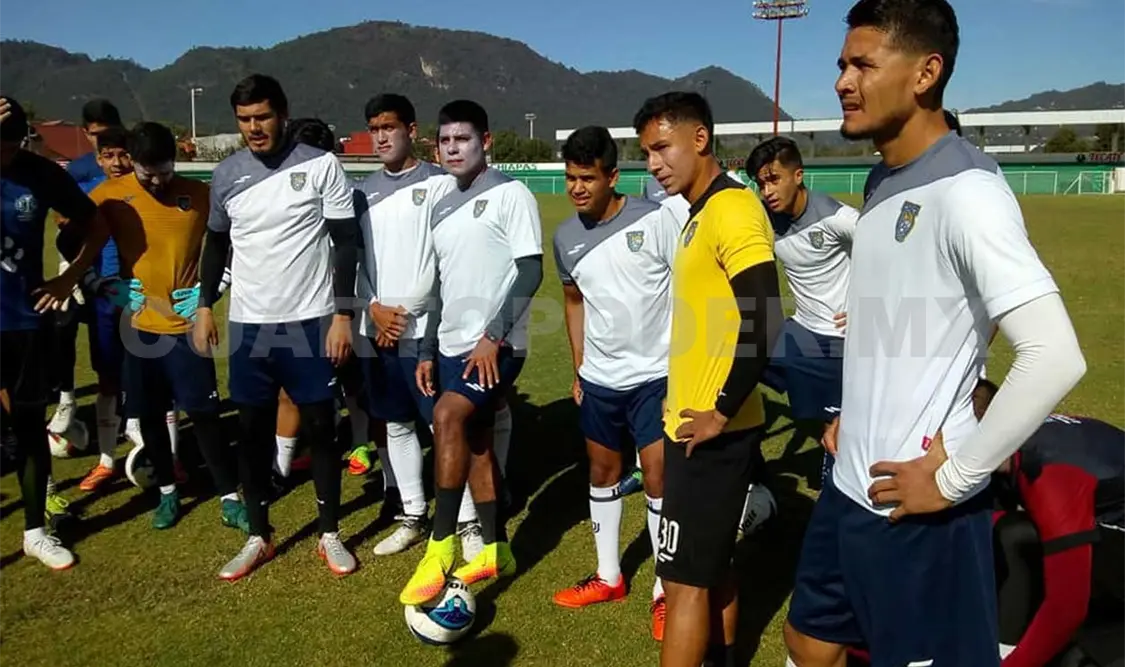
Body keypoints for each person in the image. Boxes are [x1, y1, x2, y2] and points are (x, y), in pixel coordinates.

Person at [784, 2, 1087, 666]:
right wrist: (856, 414)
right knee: (807, 640)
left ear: (925, 73)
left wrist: (954, 478)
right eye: (841, 64)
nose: (842, 81)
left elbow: (1053, 354)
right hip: (849, 484)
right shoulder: (881, 180)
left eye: (863, 64)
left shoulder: (969, 191)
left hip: (917, 507)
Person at [635, 91, 782, 667]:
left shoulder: (732, 209)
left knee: (683, 582)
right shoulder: (699, 214)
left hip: (712, 434)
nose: (653, 163)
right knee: (710, 568)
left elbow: (764, 317)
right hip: (694, 425)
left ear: (700, 139)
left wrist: (720, 410)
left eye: (661, 147)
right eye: (646, 153)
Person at [195, 74, 360, 580]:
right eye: (244, 119)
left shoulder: (321, 164)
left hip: (311, 322)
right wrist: (204, 305)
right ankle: (258, 536)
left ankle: (329, 533)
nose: (254, 128)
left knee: (321, 429)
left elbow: (346, 242)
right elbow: (216, 243)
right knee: (250, 433)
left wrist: (343, 315)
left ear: (282, 113)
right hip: (250, 326)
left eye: (262, 117)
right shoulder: (226, 174)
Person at [400, 99, 543, 605]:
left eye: (462, 139)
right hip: (449, 346)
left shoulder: (511, 194)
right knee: (478, 441)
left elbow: (531, 270)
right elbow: (441, 284)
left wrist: (493, 335)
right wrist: (425, 349)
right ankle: (496, 548)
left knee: (447, 416)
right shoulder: (441, 204)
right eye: (445, 140)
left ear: (486, 141)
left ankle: (439, 548)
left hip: (496, 346)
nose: (452, 148)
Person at [549, 125, 678, 640]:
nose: (577, 188)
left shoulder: (656, 220)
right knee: (603, 473)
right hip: (601, 380)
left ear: (612, 176)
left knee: (658, 476)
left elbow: (688, 289)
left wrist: (683, 371)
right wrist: (580, 365)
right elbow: (573, 301)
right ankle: (609, 577)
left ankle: (665, 589)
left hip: (655, 376)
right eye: (570, 178)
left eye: (587, 178)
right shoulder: (565, 238)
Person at [0, 96, 107, 569]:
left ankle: (35, 533)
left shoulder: (39, 173)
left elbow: (95, 225)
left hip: (23, 321)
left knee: (29, 427)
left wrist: (69, 279)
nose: (6, 157)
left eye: (12, 147)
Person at [353, 94, 459, 556]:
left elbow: (444, 261)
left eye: (389, 127)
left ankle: (465, 519)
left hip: (425, 332)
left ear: (411, 131)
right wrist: (374, 308)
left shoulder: (440, 184)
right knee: (395, 422)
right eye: (374, 128)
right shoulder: (360, 192)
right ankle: (413, 514)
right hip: (378, 329)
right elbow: (356, 262)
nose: (381, 137)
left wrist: (404, 313)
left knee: (442, 425)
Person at [972, 381, 1125, 667]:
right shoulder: (1022, 436)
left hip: (1114, 541)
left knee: (1075, 657)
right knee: (1011, 533)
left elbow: (1067, 607)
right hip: (1107, 521)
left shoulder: (1051, 475)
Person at [749, 136, 859, 495]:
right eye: (761, 183)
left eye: (774, 179)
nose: (767, 191)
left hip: (838, 341)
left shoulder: (837, 217)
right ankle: (746, 464)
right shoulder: (766, 219)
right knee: (737, 358)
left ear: (798, 175)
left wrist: (870, 306)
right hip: (799, 332)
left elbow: (896, 253)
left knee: (836, 427)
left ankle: (839, 480)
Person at [72, 125, 133, 492]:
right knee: (108, 380)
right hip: (105, 300)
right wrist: (90, 283)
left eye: (124, 154)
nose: (117, 162)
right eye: (108, 156)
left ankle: (168, 457)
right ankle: (107, 460)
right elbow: (70, 246)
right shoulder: (89, 196)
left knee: (154, 378)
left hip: (144, 298)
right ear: (98, 159)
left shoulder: (148, 190)